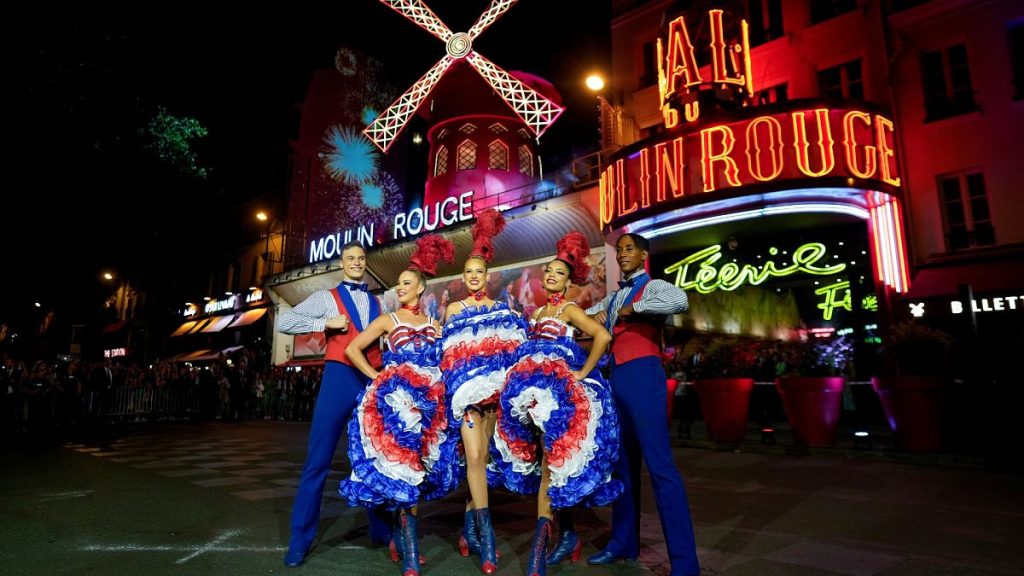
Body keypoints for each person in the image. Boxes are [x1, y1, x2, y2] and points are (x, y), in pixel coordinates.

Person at [490, 231, 621, 576]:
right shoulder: (536, 313)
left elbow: (603, 336)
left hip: (559, 396)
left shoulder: (568, 308)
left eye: (558, 273)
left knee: (551, 463)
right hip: (529, 394)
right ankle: (568, 536)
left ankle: (537, 554)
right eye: (548, 270)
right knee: (548, 464)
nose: (550, 275)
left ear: (568, 281)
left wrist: (582, 373)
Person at [339, 235, 457, 576]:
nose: (400, 287)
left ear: (420, 288)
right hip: (394, 405)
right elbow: (352, 349)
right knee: (401, 470)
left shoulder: (436, 325)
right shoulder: (388, 320)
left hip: (428, 409)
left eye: (406, 283)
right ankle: (409, 548)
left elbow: (445, 362)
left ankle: (403, 539)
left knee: (417, 473)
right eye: (398, 283)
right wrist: (376, 376)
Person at [585, 232, 700, 576]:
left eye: (629, 249)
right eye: (619, 250)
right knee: (622, 468)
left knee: (661, 468)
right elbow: (585, 314)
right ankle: (623, 543)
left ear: (643, 254)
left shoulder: (653, 286)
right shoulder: (613, 296)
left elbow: (681, 300)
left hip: (644, 376)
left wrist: (636, 307)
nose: (622, 254)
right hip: (615, 379)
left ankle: (684, 564)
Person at [277, 240, 392, 567]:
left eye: (360, 258)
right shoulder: (326, 298)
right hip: (338, 378)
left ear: (365, 263)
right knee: (317, 460)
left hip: (369, 380)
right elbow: (285, 322)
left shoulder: (378, 302)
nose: (356, 262)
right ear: (342, 263)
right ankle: (299, 540)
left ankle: (381, 528)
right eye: (350, 258)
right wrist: (323, 324)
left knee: (375, 459)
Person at [440, 208, 527, 575]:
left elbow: (510, 351)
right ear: (462, 277)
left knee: (483, 460)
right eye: (468, 273)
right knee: (474, 458)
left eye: (479, 272)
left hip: (493, 398)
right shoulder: (454, 308)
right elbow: (445, 353)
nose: (474, 277)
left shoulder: (501, 307)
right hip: (465, 398)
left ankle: (468, 528)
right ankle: (487, 537)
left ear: (487, 276)